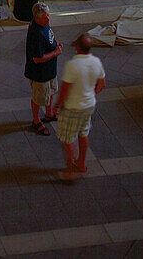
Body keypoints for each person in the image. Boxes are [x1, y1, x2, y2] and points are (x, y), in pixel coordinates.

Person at [54, 33, 106, 181]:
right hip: (89, 105)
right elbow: (102, 83)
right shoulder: (96, 62)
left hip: (73, 107)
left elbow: (65, 89)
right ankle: (81, 164)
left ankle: (70, 172)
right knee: (83, 133)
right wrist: (90, 94)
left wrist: (58, 105)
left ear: (77, 47)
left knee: (68, 139)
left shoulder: (73, 65)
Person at [24, 2, 62, 135]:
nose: (48, 19)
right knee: (38, 98)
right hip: (39, 74)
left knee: (51, 91)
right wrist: (55, 52)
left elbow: (50, 37)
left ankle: (49, 113)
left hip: (49, 70)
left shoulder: (44, 25)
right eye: (45, 17)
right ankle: (36, 121)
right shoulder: (36, 34)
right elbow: (37, 58)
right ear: (37, 18)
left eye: (48, 15)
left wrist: (55, 44)